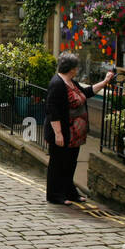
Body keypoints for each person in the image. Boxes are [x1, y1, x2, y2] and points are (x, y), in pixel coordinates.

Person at [45, 53, 115, 205]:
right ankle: (55, 194)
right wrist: (58, 134)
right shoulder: (57, 84)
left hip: (74, 134)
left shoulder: (71, 82)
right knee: (58, 164)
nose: (77, 70)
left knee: (70, 163)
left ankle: (70, 192)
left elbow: (86, 93)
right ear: (71, 69)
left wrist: (104, 82)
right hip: (63, 133)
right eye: (76, 67)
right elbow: (52, 111)